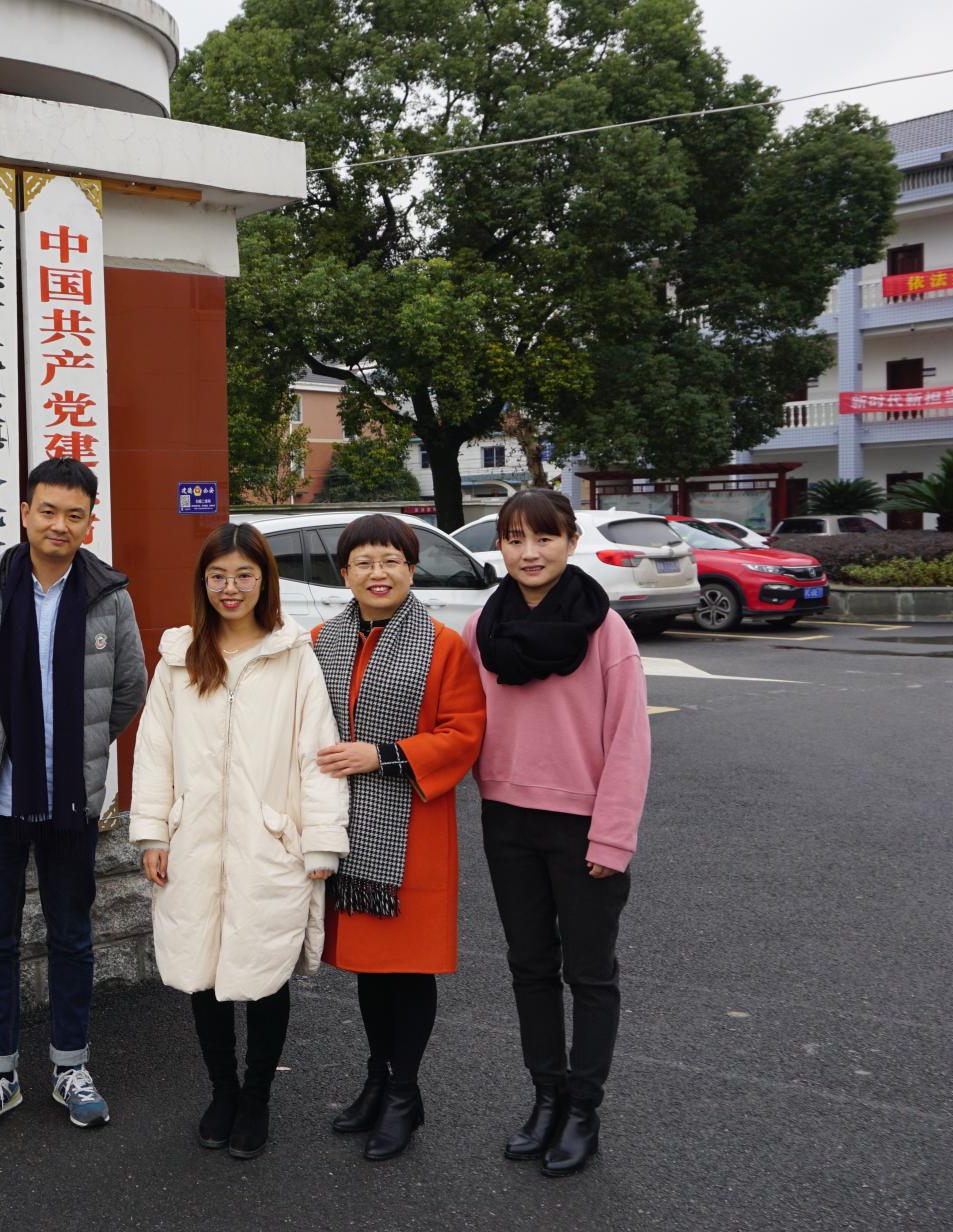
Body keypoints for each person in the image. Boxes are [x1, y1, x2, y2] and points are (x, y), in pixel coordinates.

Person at [0, 457, 147, 1135]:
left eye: (74, 514)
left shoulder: (109, 596)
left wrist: (78, 749)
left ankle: (69, 1067)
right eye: (47, 510)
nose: (59, 525)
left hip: (69, 803)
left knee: (72, 936)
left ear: (90, 521)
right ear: (25, 513)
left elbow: (128, 690)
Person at [129, 522, 349, 1161]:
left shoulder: (292, 656)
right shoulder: (180, 658)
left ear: (264, 580)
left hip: (268, 844)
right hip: (193, 842)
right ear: (203, 582)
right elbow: (154, 752)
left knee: (265, 972)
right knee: (202, 972)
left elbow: (317, 755)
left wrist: (319, 842)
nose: (231, 588)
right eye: (218, 576)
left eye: (244, 575)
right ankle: (221, 1091)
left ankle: (257, 1097)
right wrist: (152, 832)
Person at [465, 489, 650, 1178]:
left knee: (590, 974)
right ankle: (546, 1097)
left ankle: (583, 1110)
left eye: (545, 537)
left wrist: (613, 838)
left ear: (571, 542)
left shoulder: (606, 632)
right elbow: (460, 721)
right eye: (515, 538)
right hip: (507, 820)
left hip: (583, 827)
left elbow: (629, 741)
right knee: (531, 967)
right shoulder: (483, 627)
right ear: (500, 546)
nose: (530, 552)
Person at [310, 514, 485, 1162]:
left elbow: (464, 732)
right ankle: (377, 1081)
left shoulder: (442, 645)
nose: (377, 573)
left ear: (412, 569)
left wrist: (382, 755)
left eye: (391, 561)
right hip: (347, 831)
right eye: (364, 562)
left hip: (414, 830)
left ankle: (405, 1093)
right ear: (345, 573)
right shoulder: (322, 640)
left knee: (407, 969)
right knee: (370, 967)